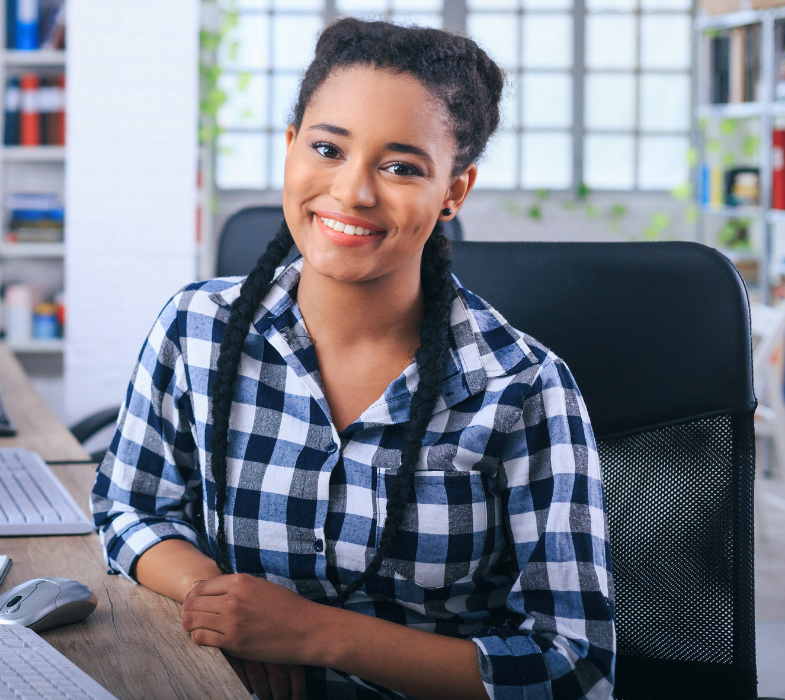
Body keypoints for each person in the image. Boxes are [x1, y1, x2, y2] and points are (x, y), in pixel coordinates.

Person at [91, 18, 615, 700]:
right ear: (291, 149)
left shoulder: (521, 388)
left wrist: (311, 634)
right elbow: (130, 508)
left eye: (401, 167)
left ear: (454, 191)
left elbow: (575, 668)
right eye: (328, 148)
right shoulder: (198, 328)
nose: (354, 191)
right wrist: (224, 608)